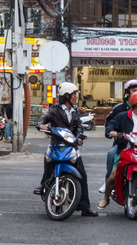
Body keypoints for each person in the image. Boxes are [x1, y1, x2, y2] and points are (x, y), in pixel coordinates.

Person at [34, 83, 97, 217]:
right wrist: (41, 125)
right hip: (56, 143)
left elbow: (79, 126)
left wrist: (79, 136)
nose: (76, 97)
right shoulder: (55, 110)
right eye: (74, 94)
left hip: (71, 145)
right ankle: (43, 184)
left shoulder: (75, 111)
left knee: (82, 175)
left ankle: (85, 207)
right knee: (48, 162)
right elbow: (43, 119)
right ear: (67, 96)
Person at [99, 79, 137, 194]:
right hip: (123, 143)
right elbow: (109, 123)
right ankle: (108, 181)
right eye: (133, 90)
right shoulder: (119, 109)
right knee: (111, 154)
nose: (136, 92)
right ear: (127, 92)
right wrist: (112, 132)